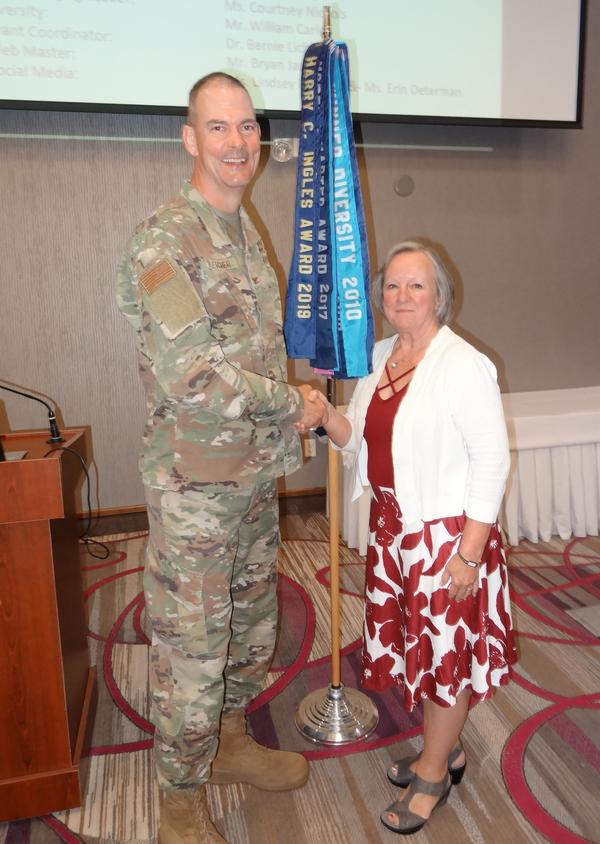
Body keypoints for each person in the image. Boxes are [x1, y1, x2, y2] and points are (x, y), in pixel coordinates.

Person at [116, 72, 323, 844]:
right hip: (197, 490)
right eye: (219, 127)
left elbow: (257, 354)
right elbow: (193, 375)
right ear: (189, 138)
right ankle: (177, 803)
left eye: (247, 128)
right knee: (193, 650)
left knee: (248, 627)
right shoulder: (163, 244)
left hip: (251, 480)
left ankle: (230, 742)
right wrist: (294, 405)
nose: (238, 143)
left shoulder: (243, 233)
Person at [301, 241, 517, 835]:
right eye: (392, 286)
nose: (401, 296)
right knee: (419, 653)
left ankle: (431, 777)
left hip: (448, 540)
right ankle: (444, 749)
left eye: (416, 285)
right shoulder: (382, 355)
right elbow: (363, 445)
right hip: (395, 530)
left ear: (440, 296)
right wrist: (326, 415)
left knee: (445, 660)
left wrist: (469, 555)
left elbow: (492, 461)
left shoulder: (461, 364)